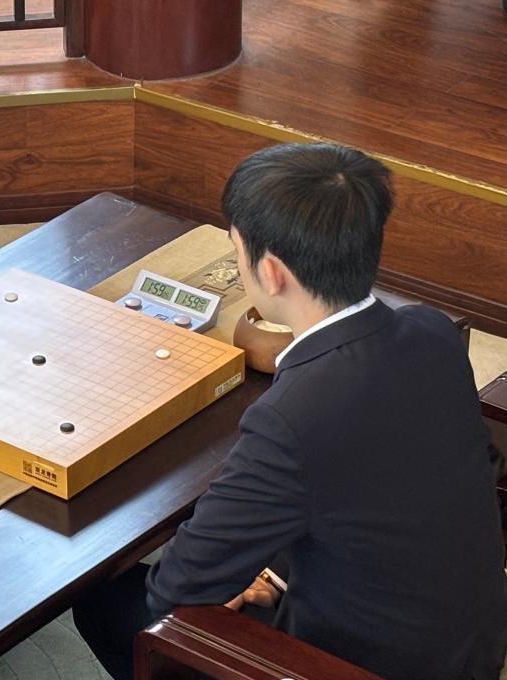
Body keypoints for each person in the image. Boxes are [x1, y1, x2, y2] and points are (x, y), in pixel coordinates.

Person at [73, 142, 507, 680]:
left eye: (237, 250)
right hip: (468, 644)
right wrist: (274, 566)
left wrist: (246, 572)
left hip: (354, 663)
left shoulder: (292, 419)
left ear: (272, 272)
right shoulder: (431, 331)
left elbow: (176, 589)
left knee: (107, 606)